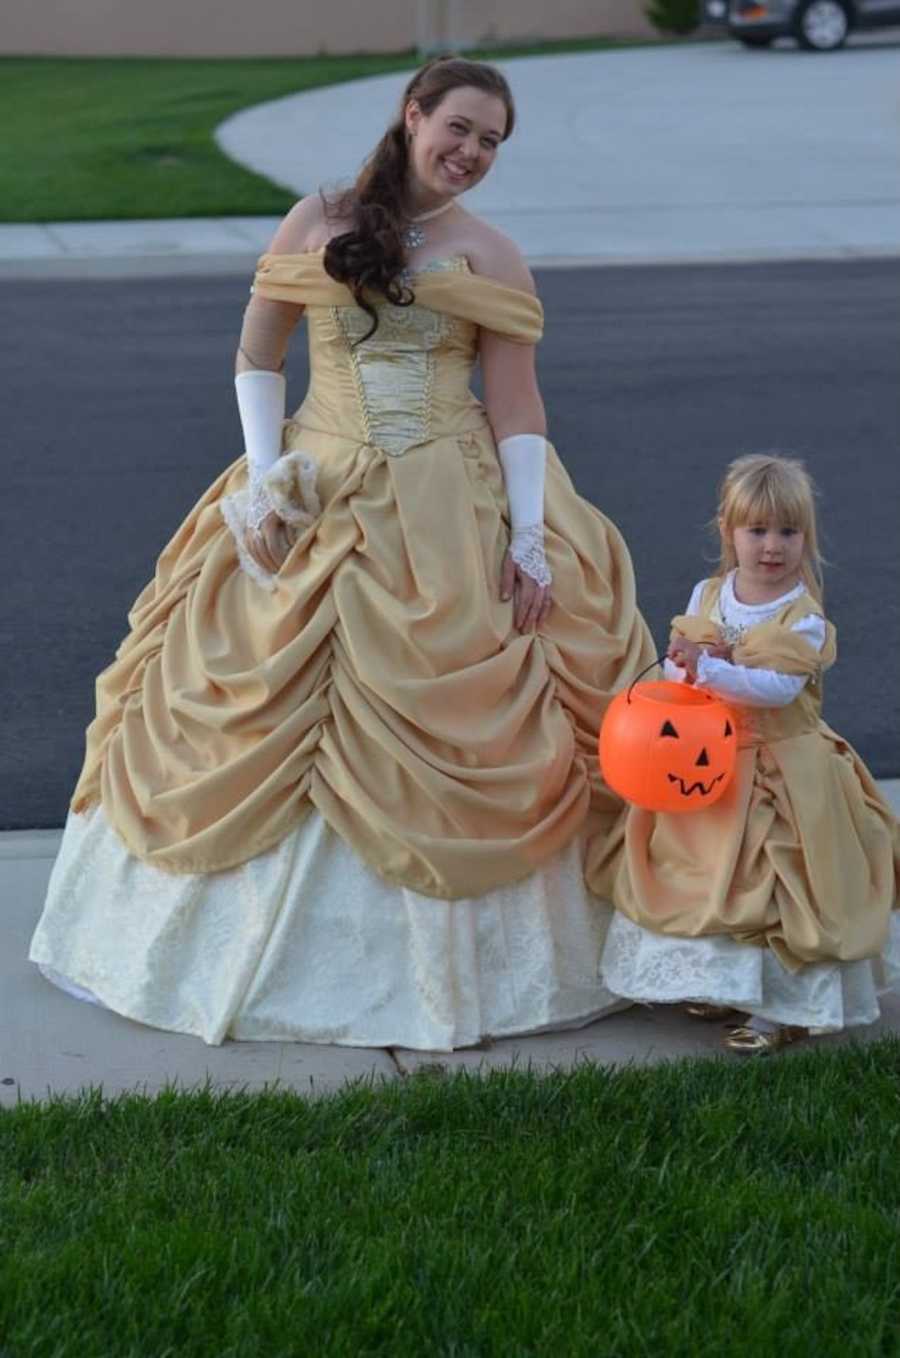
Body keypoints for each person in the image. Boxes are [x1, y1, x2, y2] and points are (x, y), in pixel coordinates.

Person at [29, 57, 654, 1051]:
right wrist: (264, 475)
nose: (472, 153)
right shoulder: (316, 218)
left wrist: (529, 539)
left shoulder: (492, 254)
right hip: (315, 480)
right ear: (411, 116)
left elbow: (517, 401)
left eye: (492, 141)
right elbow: (256, 353)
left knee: (480, 705)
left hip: (451, 497)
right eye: (458, 127)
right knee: (247, 678)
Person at [600, 453, 900, 1053]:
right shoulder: (708, 594)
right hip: (710, 768)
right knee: (708, 876)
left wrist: (707, 670)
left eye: (788, 532)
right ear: (727, 533)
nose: (772, 547)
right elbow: (688, 681)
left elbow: (776, 689)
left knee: (778, 881)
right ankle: (719, 980)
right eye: (756, 531)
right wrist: (684, 678)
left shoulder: (801, 617)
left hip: (786, 770)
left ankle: (781, 1007)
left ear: (805, 539)